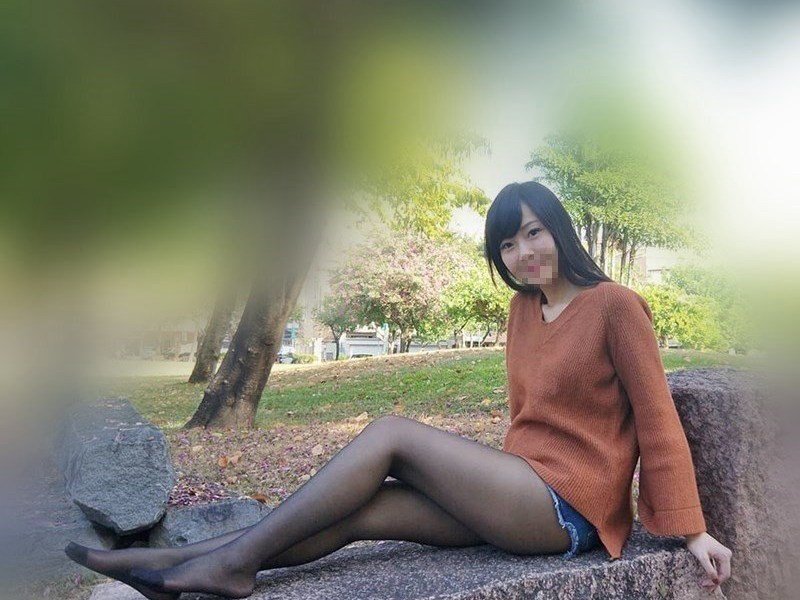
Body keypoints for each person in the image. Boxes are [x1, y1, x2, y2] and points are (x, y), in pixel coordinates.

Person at [64, 181, 732, 599]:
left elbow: (657, 420)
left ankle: (225, 564)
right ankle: (173, 568)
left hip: (568, 509)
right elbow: (529, 418)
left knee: (391, 436)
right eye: (507, 245)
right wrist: (483, 481)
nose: (523, 253)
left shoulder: (616, 306)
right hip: (519, 489)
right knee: (364, 511)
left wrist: (690, 529)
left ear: (559, 228)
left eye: (533, 232)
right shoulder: (523, 310)